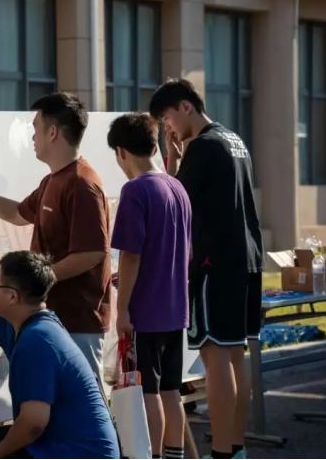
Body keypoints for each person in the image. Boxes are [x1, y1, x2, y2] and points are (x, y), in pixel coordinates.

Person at [149, 78, 264, 460]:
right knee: (235, 355)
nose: (168, 128)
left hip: (215, 263)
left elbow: (174, 202)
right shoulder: (234, 140)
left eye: (167, 118)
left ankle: (220, 452)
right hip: (247, 259)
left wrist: (172, 158)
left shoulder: (202, 146)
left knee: (216, 358)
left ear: (186, 107)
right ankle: (235, 448)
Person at [0, 92, 111, 385]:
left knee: (80, 403)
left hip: (78, 323)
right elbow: (15, 213)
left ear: (53, 132)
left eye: (35, 127)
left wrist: (37, 279)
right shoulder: (52, 181)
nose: (32, 136)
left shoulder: (82, 183)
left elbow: (93, 253)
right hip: (51, 319)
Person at [0, 250, 120, 459]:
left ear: (12, 296)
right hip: (67, 444)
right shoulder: (24, 324)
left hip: (81, 453)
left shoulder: (37, 340)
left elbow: (33, 423)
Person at [107, 112, 192, 459]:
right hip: (175, 306)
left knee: (148, 391)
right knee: (172, 390)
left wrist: (122, 308)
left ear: (121, 152)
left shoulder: (135, 190)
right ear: (154, 147)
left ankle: (152, 455)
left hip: (146, 309)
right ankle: (174, 454)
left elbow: (131, 256)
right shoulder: (177, 187)